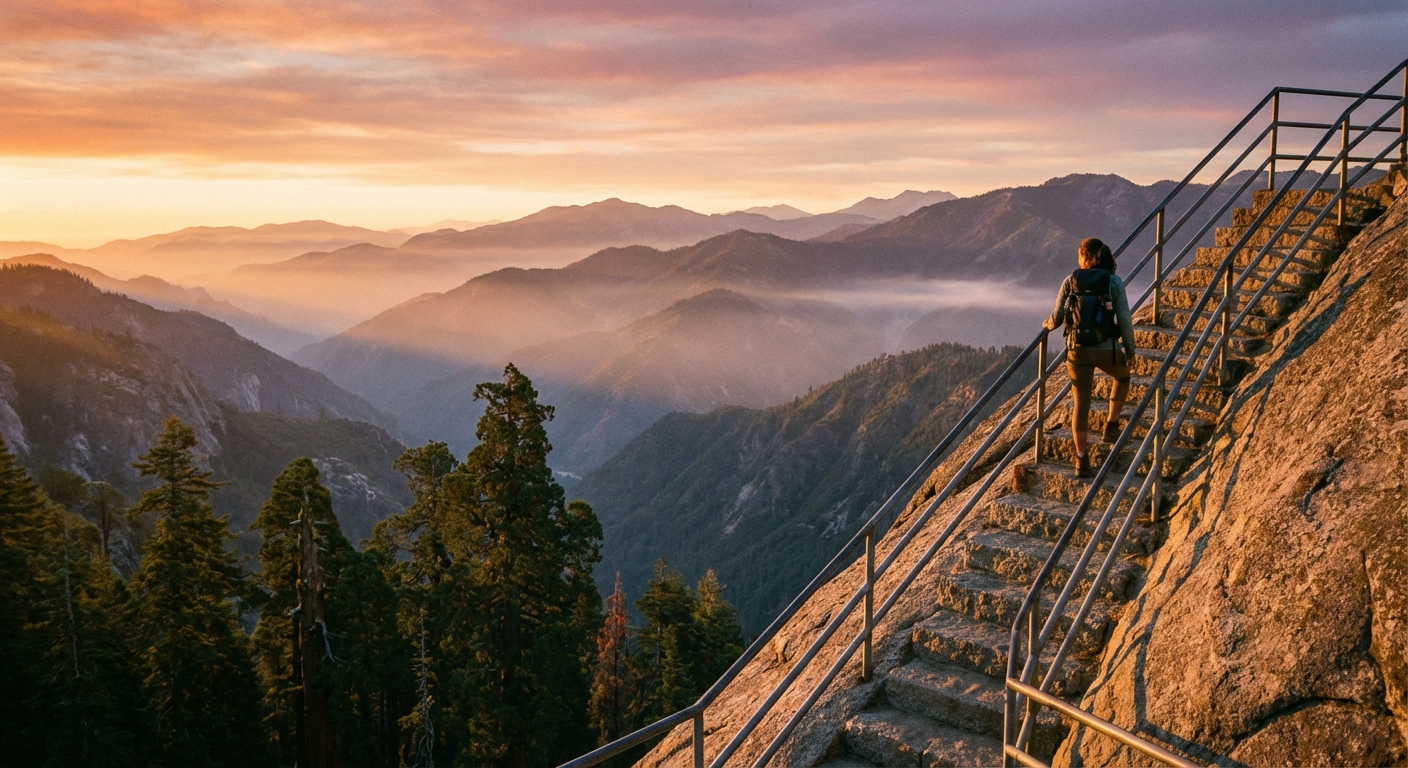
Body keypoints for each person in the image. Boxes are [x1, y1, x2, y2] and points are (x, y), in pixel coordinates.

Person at [1043, 238, 1137, 477]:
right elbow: (1125, 320)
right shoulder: (1113, 282)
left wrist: (1046, 324)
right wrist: (1131, 351)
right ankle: (1111, 425)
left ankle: (1081, 459)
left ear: (1087, 258)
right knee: (1123, 376)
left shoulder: (1070, 281)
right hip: (1106, 350)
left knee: (1081, 404)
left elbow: (1056, 319)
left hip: (1077, 352)